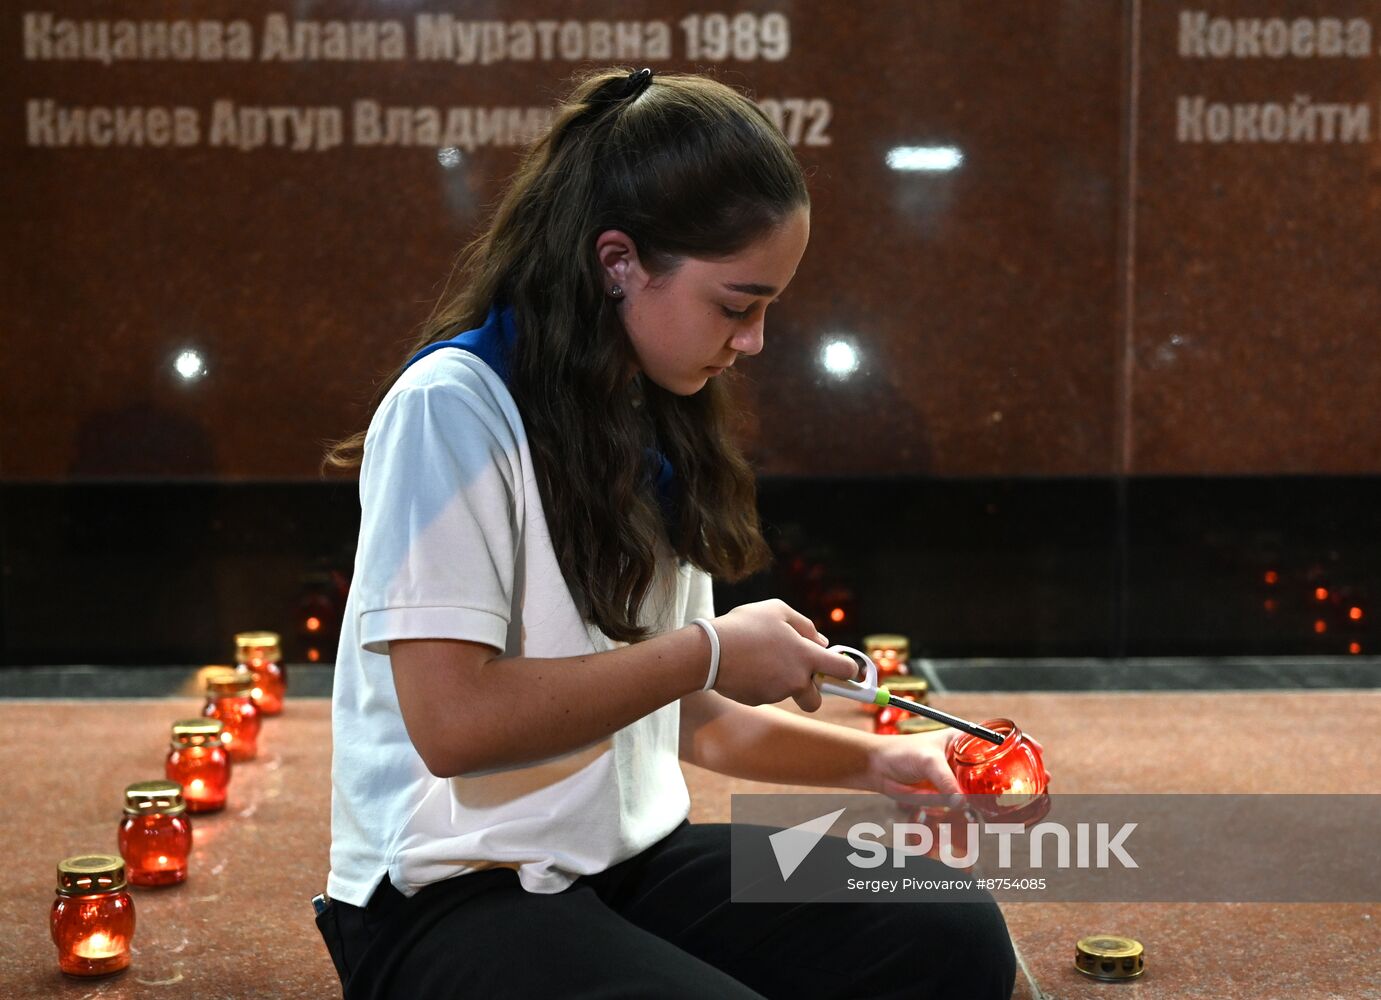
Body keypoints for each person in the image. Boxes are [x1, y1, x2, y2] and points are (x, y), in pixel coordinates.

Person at [317, 66, 1017, 999]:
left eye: (769, 307)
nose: (755, 341)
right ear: (619, 262)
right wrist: (707, 648)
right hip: (451, 887)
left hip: (623, 864)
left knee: (952, 934)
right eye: (737, 305)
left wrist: (882, 760)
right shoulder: (454, 408)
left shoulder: (651, 408)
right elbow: (453, 725)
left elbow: (688, 718)